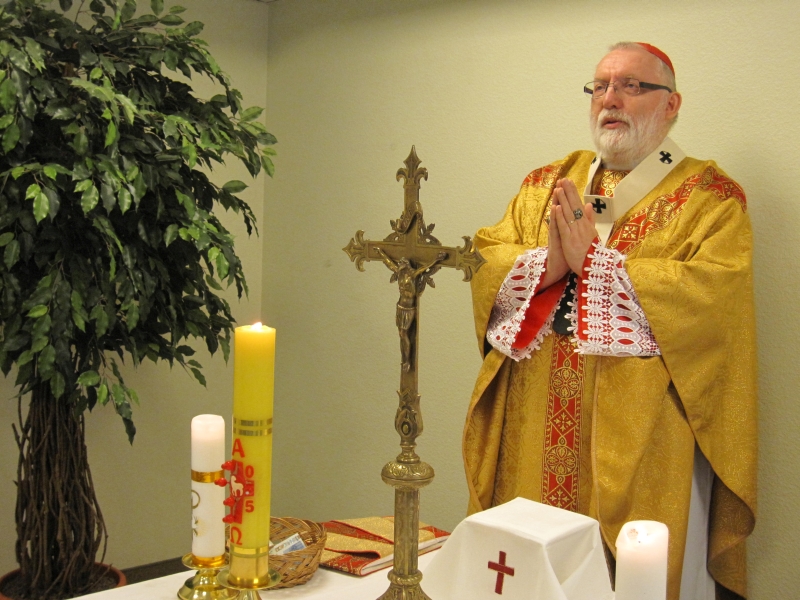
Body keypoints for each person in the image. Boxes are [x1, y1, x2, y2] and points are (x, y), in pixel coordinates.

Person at [462, 42, 757, 600]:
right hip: (533, 419)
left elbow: (713, 302)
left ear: (671, 105)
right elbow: (486, 257)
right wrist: (546, 265)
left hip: (642, 432)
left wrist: (597, 266)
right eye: (600, 86)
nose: (610, 100)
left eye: (631, 86)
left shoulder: (710, 199)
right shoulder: (547, 183)